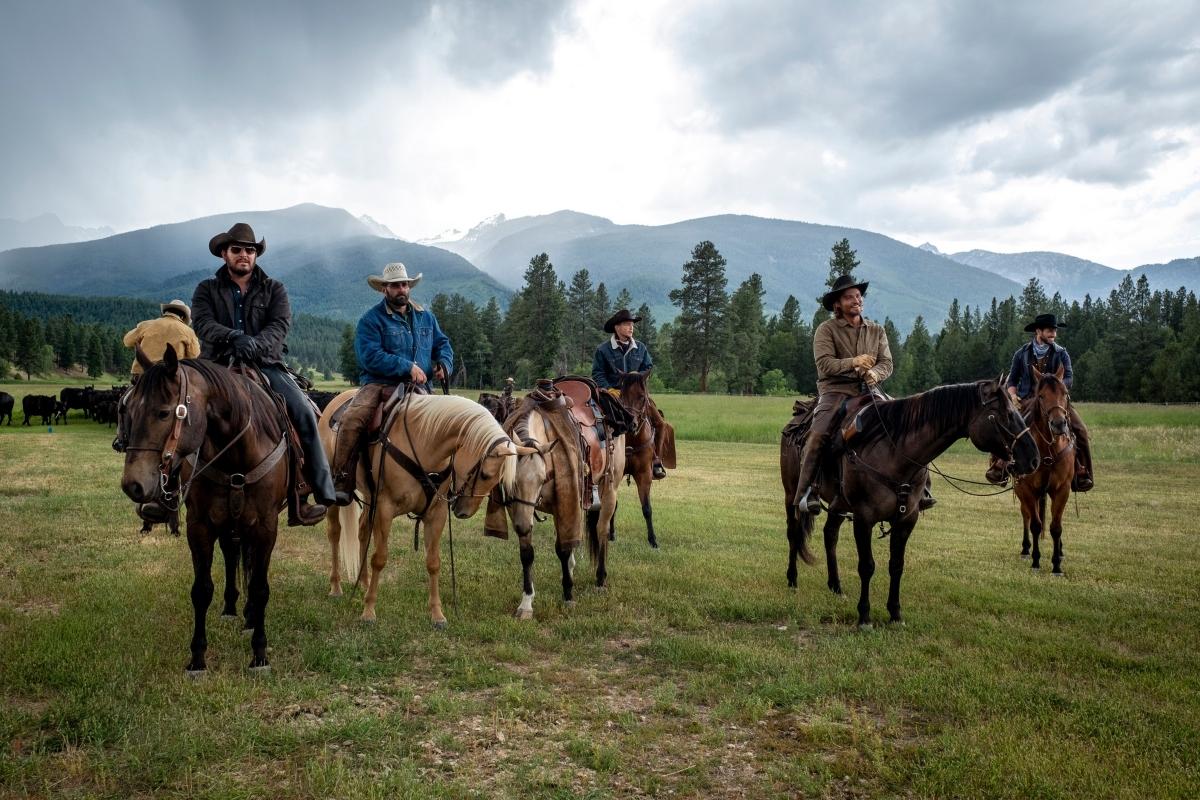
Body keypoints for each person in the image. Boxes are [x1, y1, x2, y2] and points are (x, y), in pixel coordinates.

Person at [190, 222, 337, 525]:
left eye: (250, 250)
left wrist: (254, 345)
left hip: (266, 364)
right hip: (218, 366)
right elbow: (203, 324)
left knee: (304, 413)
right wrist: (233, 337)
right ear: (224, 254)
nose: (244, 255)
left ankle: (312, 491)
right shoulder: (206, 289)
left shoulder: (274, 289)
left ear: (256, 255)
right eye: (237, 250)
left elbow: (280, 326)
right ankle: (169, 493)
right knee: (184, 414)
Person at [794, 274, 935, 514]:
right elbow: (825, 365)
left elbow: (886, 363)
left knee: (909, 423)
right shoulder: (826, 330)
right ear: (837, 304)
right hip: (835, 391)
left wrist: (875, 374)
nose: (856, 300)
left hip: (870, 390)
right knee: (818, 434)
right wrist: (853, 362)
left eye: (858, 296)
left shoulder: (877, 330)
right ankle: (807, 492)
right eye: (849, 297)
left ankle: (922, 490)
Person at [328, 261, 454, 504]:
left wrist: (444, 365)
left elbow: (443, 344)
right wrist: (406, 366)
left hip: (422, 387)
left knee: (450, 424)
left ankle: (450, 483)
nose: (401, 290)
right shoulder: (370, 320)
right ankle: (342, 479)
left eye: (404, 285)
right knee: (353, 420)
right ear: (384, 289)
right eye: (395, 286)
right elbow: (369, 356)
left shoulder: (425, 317)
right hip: (379, 384)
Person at [986, 313, 1094, 491]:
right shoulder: (1021, 354)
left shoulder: (1061, 353)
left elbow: (1069, 378)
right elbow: (1012, 380)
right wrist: (1013, 396)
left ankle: (1082, 472)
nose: (1054, 334)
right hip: (1027, 400)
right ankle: (1000, 466)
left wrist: (1054, 388)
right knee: (1005, 427)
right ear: (1038, 331)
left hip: (1057, 402)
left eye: (1054, 331)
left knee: (1080, 430)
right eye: (1050, 331)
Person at [591, 308, 668, 479]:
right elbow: (597, 374)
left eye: (632, 324)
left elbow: (648, 367)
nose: (631, 327)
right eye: (627, 324)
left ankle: (656, 460)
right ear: (617, 328)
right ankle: (599, 459)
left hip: (636, 397)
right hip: (612, 396)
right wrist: (609, 389)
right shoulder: (603, 350)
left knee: (661, 423)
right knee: (597, 425)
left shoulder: (640, 348)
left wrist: (638, 382)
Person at [122, 299, 200, 381]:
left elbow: (127, 341)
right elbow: (195, 357)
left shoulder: (146, 325)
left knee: (129, 393)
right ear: (182, 317)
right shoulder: (188, 332)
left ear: (166, 312)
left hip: (142, 375)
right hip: (172, 378)